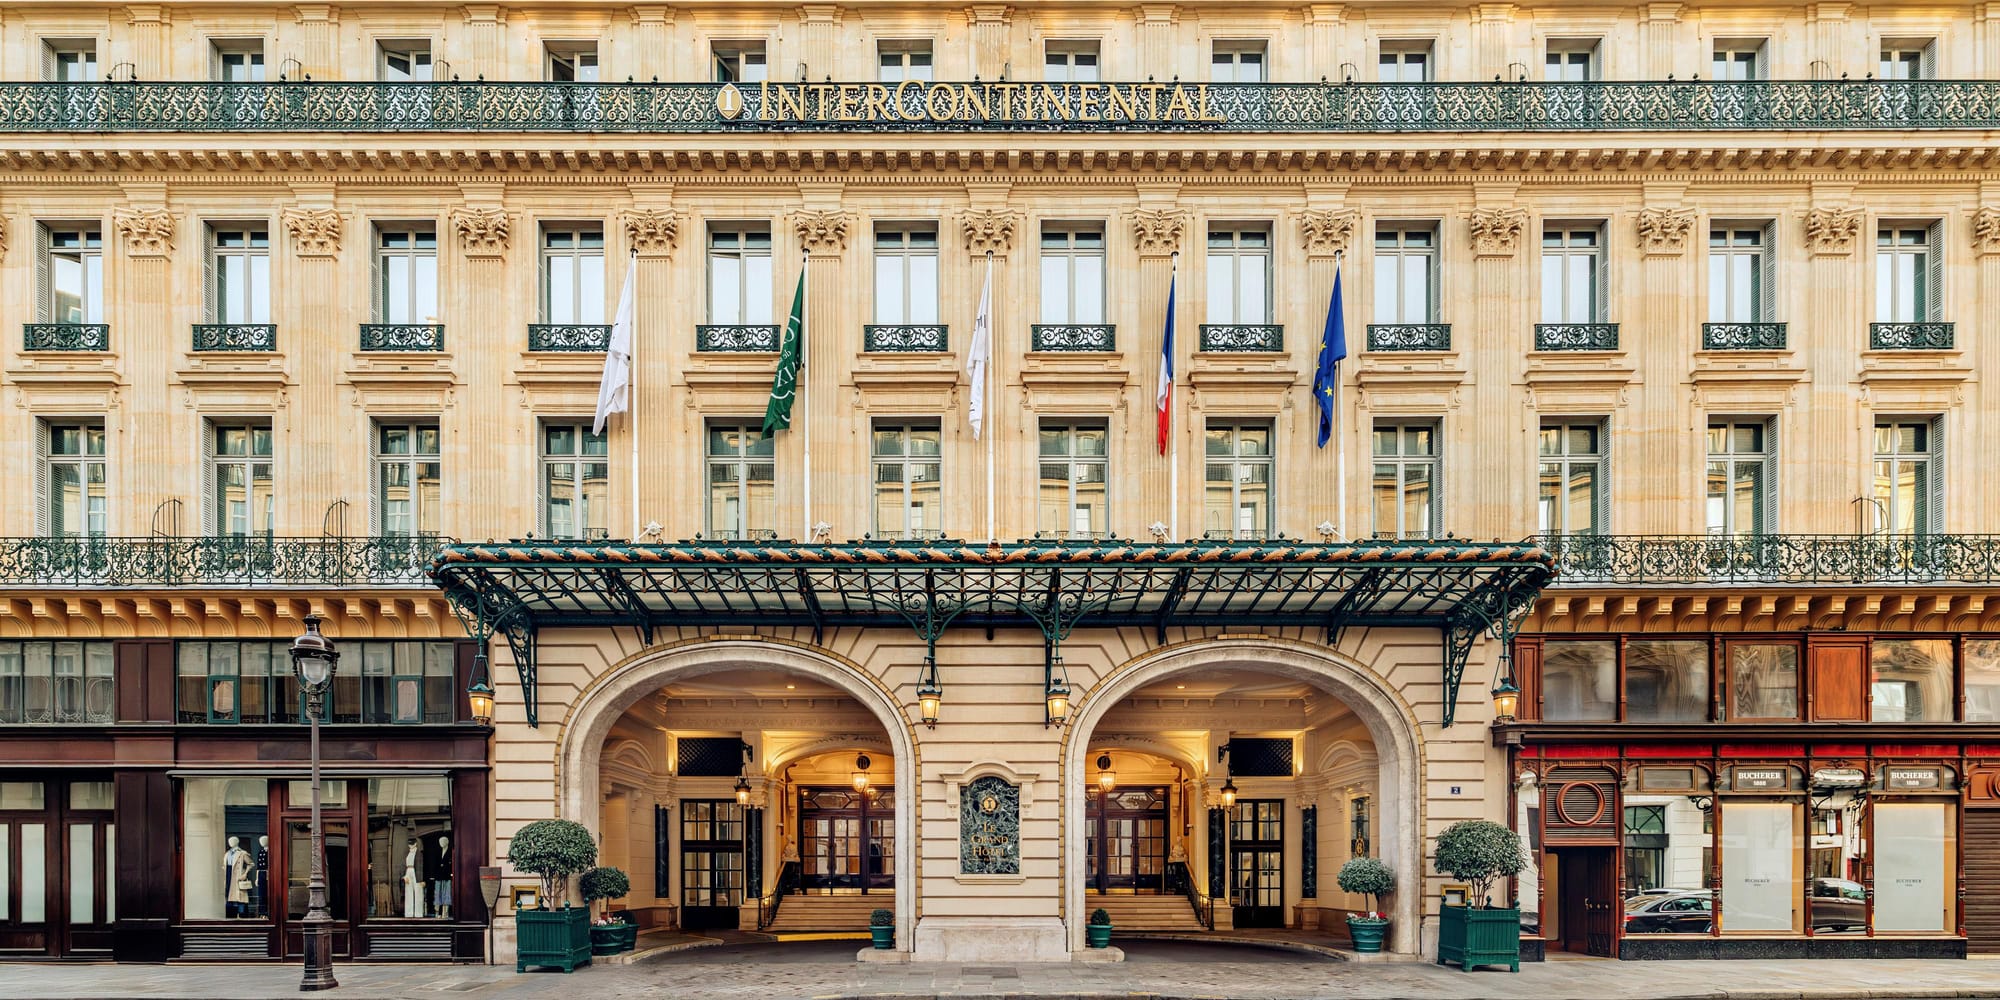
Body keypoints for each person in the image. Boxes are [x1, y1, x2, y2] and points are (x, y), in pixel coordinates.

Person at [223, 837, 254, 918]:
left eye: (232, 841)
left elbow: (251, 864)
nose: (230, 843)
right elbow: (224, 866)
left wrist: (245, 874)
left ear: (237, 842)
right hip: (229, 875)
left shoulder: (242, 853)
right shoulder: (227, 853)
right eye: (229, 841)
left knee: (240, 897)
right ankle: (231, 915)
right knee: (229, 895)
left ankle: (242, 915)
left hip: (238, 876)